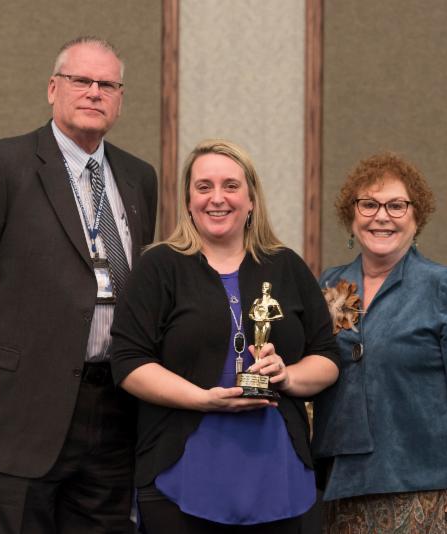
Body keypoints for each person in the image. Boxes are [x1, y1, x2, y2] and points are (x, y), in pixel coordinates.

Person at [0, 36, 157, 534]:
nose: (94, 92)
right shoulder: (2, 165)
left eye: (107, 84)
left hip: (114, 409)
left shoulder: (139, 177)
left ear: (120, 99)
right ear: (53, 89)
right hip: (16, 409)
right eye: (81, 80)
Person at [109, 139, 340, 533]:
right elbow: (129, 362)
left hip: (278, 472)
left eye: (231, 186)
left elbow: (328, 357)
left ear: (251, 200)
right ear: (188, 201)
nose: (217, 198)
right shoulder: (159, 266)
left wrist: (287, 375)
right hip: (180, 470)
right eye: (204, 187)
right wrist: (201, 399)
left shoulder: (286, 266)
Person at [312, 153, 447, 533]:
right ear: (351, 216)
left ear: (416, 218)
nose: (381, 216)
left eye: (396, 206)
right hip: (346, 482)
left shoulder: (444, 285)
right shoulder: (331, 285)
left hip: (429, 484)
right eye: (369, 204)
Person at [249, 281, 284, 349]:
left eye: (266, 287)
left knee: (263, 345)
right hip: (257, 323)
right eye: (263, 287)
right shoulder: (257, 301)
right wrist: (255, 318)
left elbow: (281, 315)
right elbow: (250, 314)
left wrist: (268, 319)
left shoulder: (273, 301)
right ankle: (256, 356)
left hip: (266, 324)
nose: (263, 288)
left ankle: (261, 355)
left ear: (270, 289)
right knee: (256, 344)